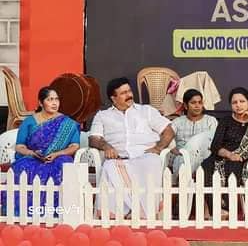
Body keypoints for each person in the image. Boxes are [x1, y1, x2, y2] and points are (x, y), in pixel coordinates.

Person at [89, 77, 175, 219]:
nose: (129, 95)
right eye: (123, 93)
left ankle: (142, 214)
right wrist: (106, 146)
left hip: (145, 155)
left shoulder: (146, 111)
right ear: (113, 98)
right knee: (108, 168)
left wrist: (159, 148)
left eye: (129, 91)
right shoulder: (103, 116)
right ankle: (117, 215)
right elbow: (94, 138)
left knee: (152, 163)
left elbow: (168, 130)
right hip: (118, 158)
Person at [3, 87, 81, 215]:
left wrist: (57, 154)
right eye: (50, 99)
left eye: (56, 99)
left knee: (64, 165)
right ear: (41, 103)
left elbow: (74, 146)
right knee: (23, 167)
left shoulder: (68, 123)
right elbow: (20, 146)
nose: (54, 103)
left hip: (58, 157)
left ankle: (57, 213)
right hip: (33, 157)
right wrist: (32, 153)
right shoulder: (29, 121)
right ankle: (23, 212)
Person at [201, 87, 248, 219]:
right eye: (235, 102)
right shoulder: (225, 121)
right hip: (222, 156)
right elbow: (215, 146)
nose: (239, 105)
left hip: (243, 160)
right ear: (231, 105)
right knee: (205, 166)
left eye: (242, 101)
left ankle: (227, 208)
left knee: (232, 168)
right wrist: (230, 155)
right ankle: (214, 209)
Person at [169, 89, 218, 174]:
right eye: (193, 103)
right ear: (185, 105)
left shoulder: (210, 121)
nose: (197, 106)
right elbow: (168, 138)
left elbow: (214, 142)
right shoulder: (177, 122)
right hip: (182, 158)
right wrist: (175, 150)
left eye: (200, 102)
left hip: (204, 159)